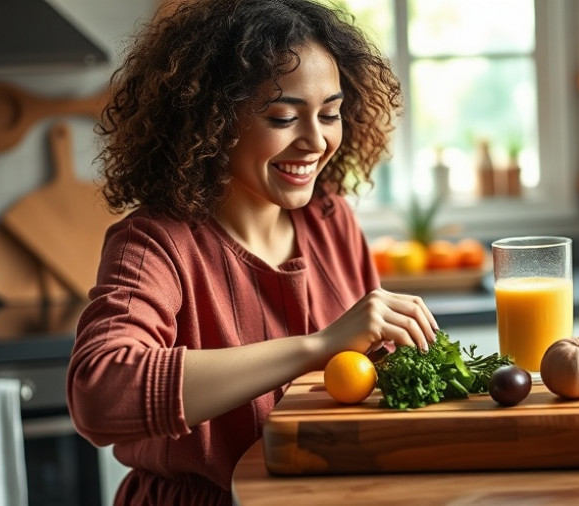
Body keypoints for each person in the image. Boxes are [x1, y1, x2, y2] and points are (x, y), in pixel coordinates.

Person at [66, 0, 438, 503]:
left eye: (330, 114)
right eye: (284, 117)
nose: (315, 141)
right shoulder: (154, 243)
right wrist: (318, 345)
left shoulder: (330, 218)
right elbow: (101, 392)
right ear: (212, 120)